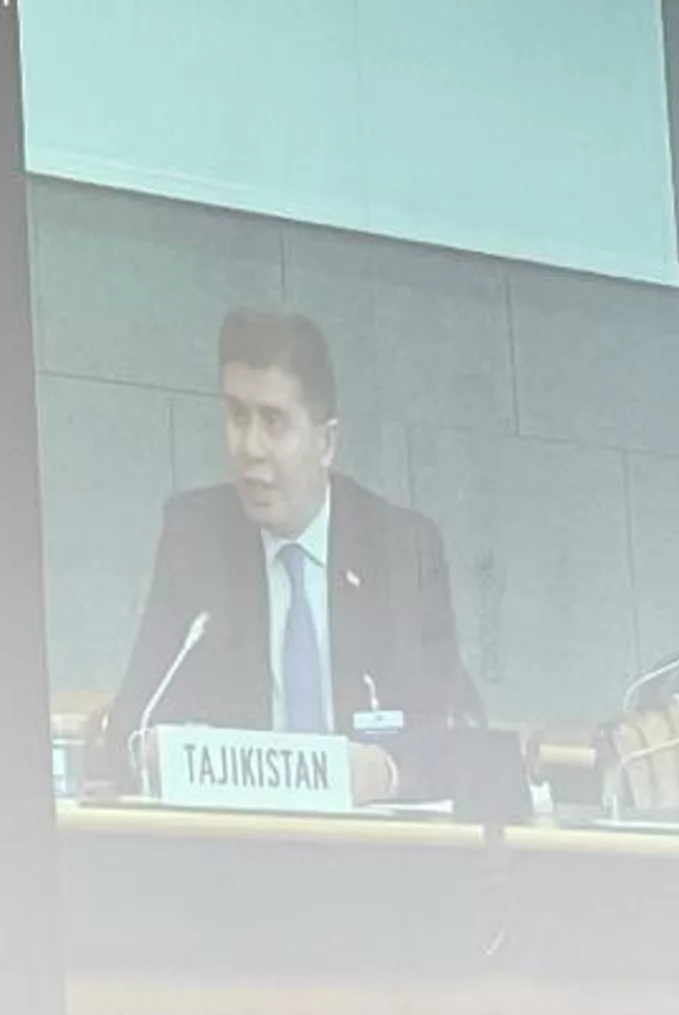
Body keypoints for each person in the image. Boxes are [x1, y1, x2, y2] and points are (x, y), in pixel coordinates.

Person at [103, 307, 483, 805]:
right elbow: (133, 723)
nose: (249, 446)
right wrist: (148, 754)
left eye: (273, 421)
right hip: (238, 842)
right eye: (237, 416)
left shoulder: (399, 548)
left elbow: (458, 731)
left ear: (326, 442)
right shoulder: (197, 538)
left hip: (370, 842)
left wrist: (385, 772)